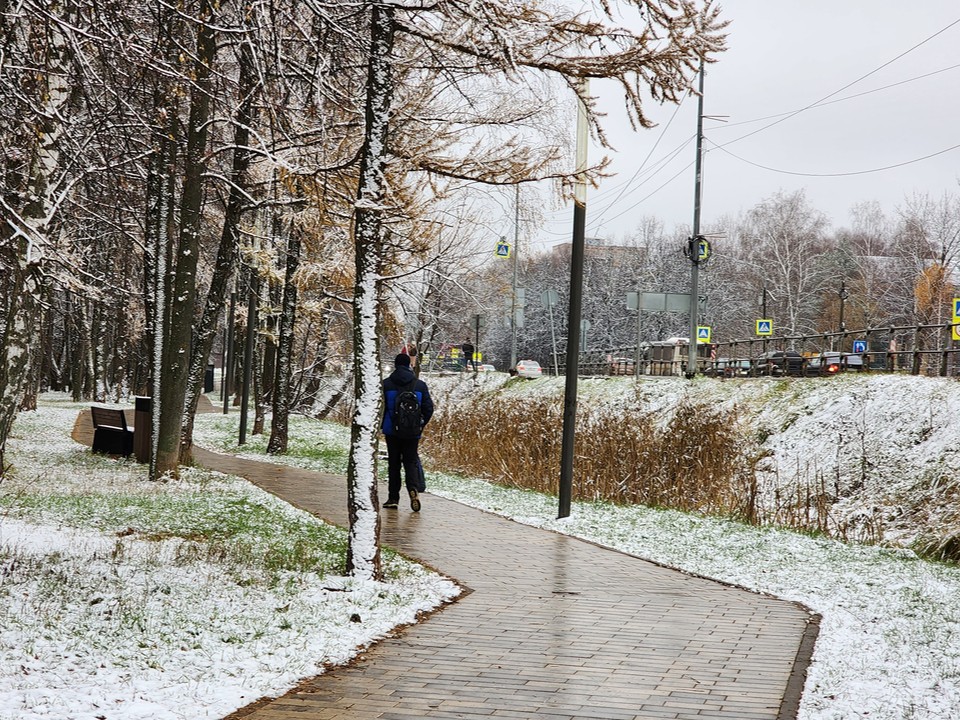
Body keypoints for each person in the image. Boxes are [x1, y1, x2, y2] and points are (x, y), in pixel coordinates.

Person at [381, 353, 434, 511]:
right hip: (412, 432)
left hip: (392, 431)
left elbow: (381, 408)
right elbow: (428, 408)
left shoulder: (386, 384)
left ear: (395, 365)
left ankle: (393, 498)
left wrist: (384, 424)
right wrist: (420, 424)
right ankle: (413, 489)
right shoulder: (420, 385)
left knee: (394, 463)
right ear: (409, 365)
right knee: (410, 461)